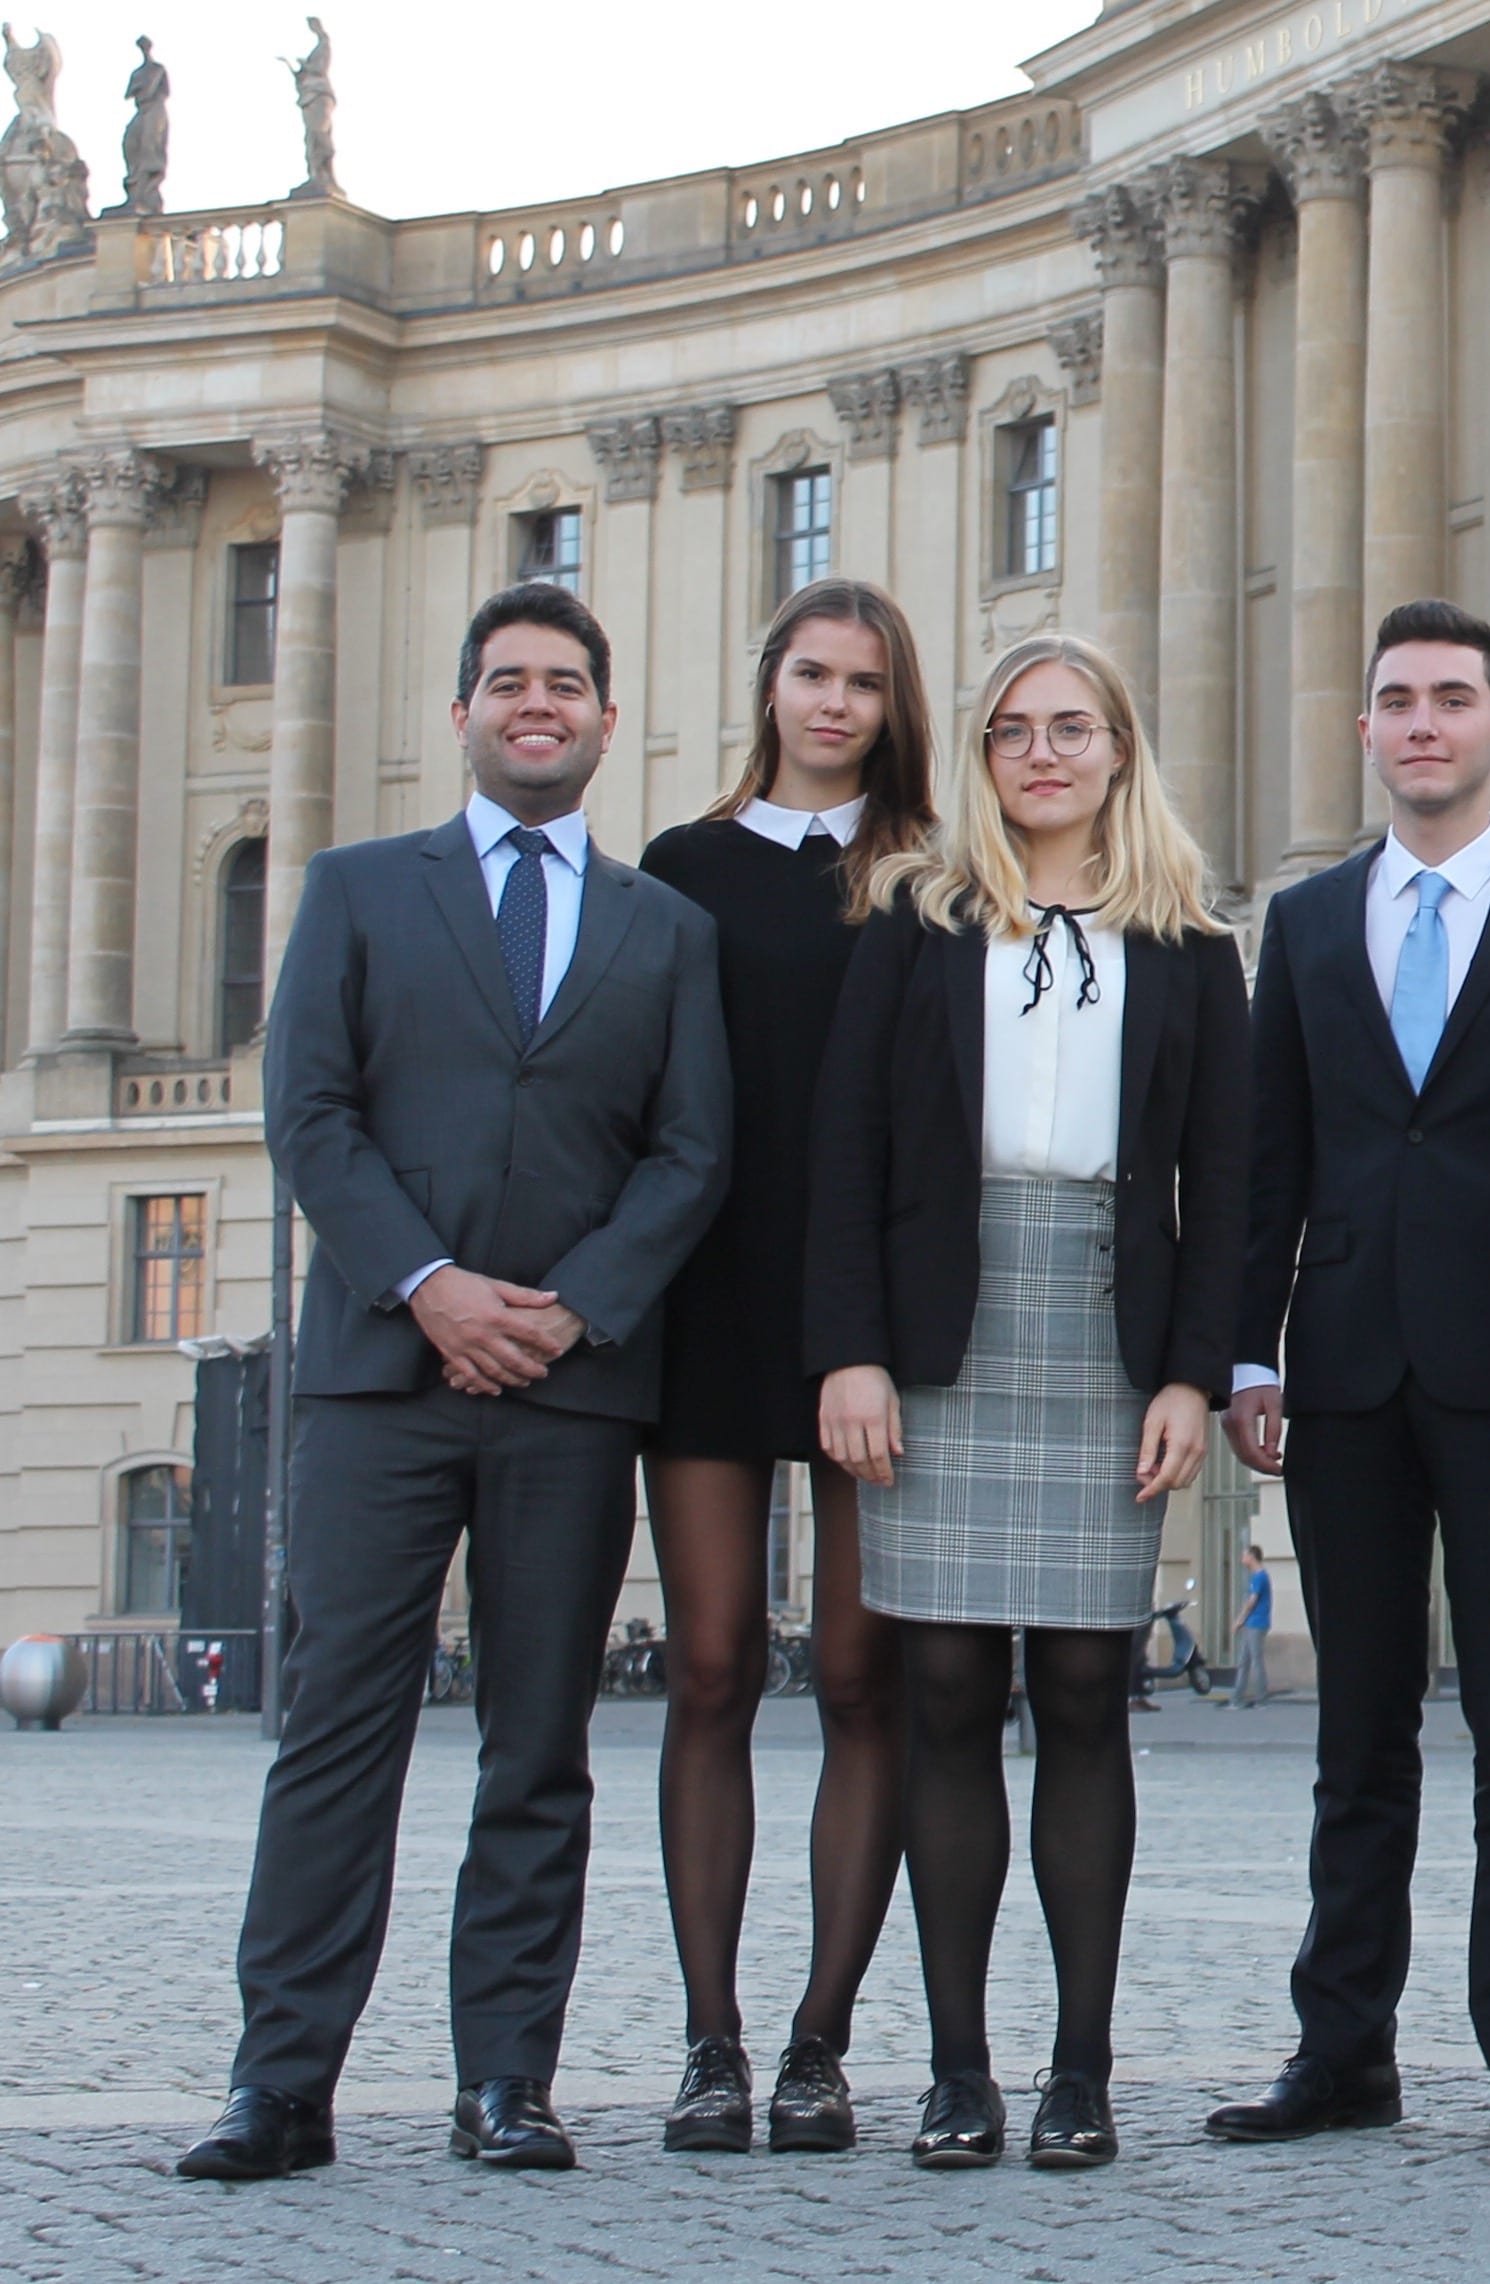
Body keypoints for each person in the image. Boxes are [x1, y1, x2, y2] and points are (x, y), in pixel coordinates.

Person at [181, 583, 731, 2180]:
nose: (536, 704)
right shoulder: (358, 890)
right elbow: (312, 1115)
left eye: (565, 684)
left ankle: (510, 2083)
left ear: (606, 723)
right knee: (336, 1736)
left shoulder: (666, 931)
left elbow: (692, 1153)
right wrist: (429, 1289)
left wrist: (570, 1310)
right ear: (464, 715)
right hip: (377, 1376)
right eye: (507, 682)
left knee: (537, 1740)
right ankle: (281, 2083)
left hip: (567, 1391)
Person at [805, 632, 1250, 2172]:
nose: (1042, 754)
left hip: (1106, 1334)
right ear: (980, 758)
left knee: (1080, 1696)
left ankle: (1078, 2070)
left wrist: (1196, 1371)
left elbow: (1231, 1186)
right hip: (939, 1330)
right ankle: (956, 2072)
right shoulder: (913, 923)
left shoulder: (1191, 942)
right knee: (939, 1700)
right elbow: (844, 1154)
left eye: (1072, 730)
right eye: (1013, 731)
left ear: (1122, 751)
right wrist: (847, 1350)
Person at [1208, 600, 1490, 2157]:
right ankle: (1343, 2050)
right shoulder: (1304, 927)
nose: (1423, 722)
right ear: (1366, 732)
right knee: (1356, 1733)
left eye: (1453, 699)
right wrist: (1249, 1350)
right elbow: (1270, 1161)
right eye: (1397, 700)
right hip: (1349, 1375)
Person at [632, 578, 939, 2156]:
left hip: (870, 1326)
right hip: (706, 1301)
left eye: (866, 684)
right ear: (769, 686)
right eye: (812, 675)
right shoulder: (677, 871)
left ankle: (822, 2041)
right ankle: (711, 2040)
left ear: (896, 709)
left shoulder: (934, 878)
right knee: (708, 1668)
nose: (834, 705)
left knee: (857, 1676)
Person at [1233, 1546, 1272, 1706]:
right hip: (1252, 1623)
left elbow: (1251, 1602)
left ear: (1252, 1556)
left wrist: (1239, 1620)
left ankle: (1261, 1698)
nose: (1242, 1559)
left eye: (1244, 1555)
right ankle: (1237, 1698)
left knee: (1255, 1661)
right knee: (1245, 1661)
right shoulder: (1257, 1576)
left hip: (1256, 1623)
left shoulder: (1259, 1577)